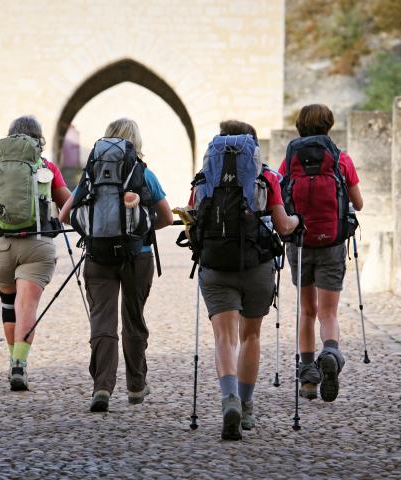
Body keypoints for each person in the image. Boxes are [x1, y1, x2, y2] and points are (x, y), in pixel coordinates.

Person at [187, 120, 301, 440]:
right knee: (250, 336)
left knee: (225, 338)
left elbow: (193, 221)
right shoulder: (266, 177)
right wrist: (297, 220)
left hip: (215, 266)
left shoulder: (203, 178)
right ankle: (247, 404)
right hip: (257, 265)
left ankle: (229, 399)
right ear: (252, 146)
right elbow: (283, 225)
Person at [59, 118, 174, 412]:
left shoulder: (92, 175)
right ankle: (136, 386)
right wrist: (141, 228)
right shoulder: (144, 174)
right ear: (135, 143)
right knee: (133, 319)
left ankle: (102, 387)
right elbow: (167, 218)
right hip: (138, 255)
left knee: (102, 320)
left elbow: (64, 216)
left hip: (98, 255)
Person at [0, 115, 71, 391]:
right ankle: (19, 363)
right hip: (36, 245)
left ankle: (12, 360)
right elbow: (66, 207)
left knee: (8, 303)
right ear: (40, 139)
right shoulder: (46, 167)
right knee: (27, 305)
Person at [278, 104, 363, 402]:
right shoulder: (341, 159)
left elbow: (279, 196)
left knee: (307, 310)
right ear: (329, 125)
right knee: (328, 311)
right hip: (332, 244)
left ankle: (308, 378)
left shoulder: (289, 161)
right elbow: (359, 203)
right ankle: (331, 354)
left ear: (300, 125)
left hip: (299, 243)